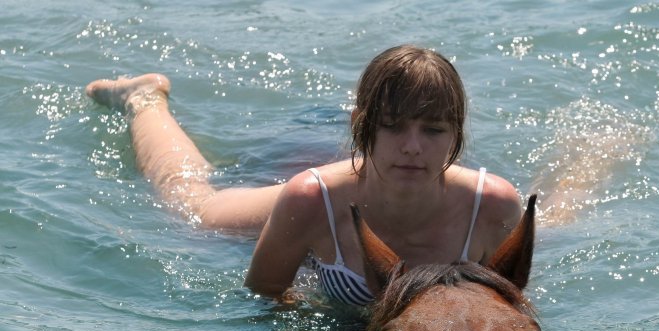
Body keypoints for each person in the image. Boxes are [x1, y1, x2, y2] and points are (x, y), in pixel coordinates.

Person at [85, 45, 525, 305]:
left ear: (456, 136)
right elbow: (265, 299)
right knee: (193, 209)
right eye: (392, 126)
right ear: (361, 125)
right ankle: (143, 99)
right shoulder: (309, 200)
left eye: (433, 130)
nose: (412, 146)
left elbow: (508, 317)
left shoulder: (494, 208)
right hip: (317, 209)